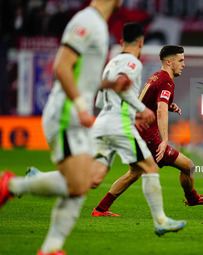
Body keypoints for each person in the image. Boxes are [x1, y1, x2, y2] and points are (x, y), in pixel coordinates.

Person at [0, 1, 130, 254]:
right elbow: (61, 66)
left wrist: (109, 85)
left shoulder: (99, 25)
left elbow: (85, 77)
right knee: (79, 184)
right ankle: (12, 185)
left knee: (81, 184)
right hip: (65, 114)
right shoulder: (86, 21)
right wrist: (82, 105)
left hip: (74, 115)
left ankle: (52, 247)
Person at [92, 45, 203, 217]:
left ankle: (101, 209)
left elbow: (151, 103)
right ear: (169, 62)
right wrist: (164, 140)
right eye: (180, 60)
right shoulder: (166, 81)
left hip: (136, 132)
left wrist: (168, 106)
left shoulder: (156, 76)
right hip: (149, 138)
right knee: (189, 166)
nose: (183, 64)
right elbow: (160, 111)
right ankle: (192, 199)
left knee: (134, 173)